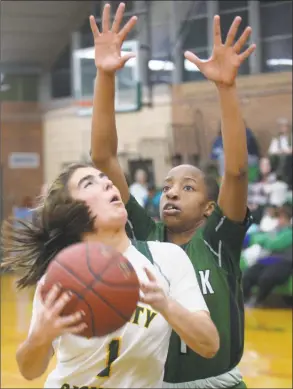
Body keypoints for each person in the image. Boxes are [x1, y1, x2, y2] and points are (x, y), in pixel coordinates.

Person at [90, 4, 255, 388]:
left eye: (187, 187)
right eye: (166, 187)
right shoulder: (146, 237)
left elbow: (236, 171)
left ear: (210, 207)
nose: (171, 194)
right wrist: (105, 76)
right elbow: (103, 157)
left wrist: (226, 88)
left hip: (221, 382)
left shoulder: (218, 242)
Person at [1, 161, 219, 388]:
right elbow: (29, 370)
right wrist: (41, 336)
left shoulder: (166, 259)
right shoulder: (62, 277)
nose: (107, 184)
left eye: (105, 178)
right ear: (72, 210)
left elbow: (209, 345)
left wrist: (166, 305)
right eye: (89, 183)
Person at [242, 203, 292, 307]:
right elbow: (264, 238)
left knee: (266, 278)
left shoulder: (290, 232)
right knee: (248, 274)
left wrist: (262, 239)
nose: (279, 220)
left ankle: (258, 301)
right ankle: (244, 300)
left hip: (284, 263)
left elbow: (275, 244)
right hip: (268, 261)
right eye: (279, 217)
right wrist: (264, 238)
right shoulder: (275, 230)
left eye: (282, 218)